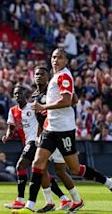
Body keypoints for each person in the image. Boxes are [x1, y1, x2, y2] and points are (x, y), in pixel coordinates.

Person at [13, 48, 112, 214]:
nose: (56, 60)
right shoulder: (56, 77)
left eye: (60, 57)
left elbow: (66, 100)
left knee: (75, 169)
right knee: (37, 164)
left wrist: (45, 107)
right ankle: (30, 206)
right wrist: (48, 111)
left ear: (66, 61)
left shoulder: (64, 75)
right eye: (53, 57)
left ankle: (109, 183)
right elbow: (74, 98)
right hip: (51, 129)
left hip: (64, 130)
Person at [3, 86, 63, 209]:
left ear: (25, 94)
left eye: (19, 93)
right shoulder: (13, 111)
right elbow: (11, 127)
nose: (17, 95)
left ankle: (20, 200)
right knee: (42, 174)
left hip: (35, 142)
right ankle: (64, 199)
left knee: (20, 166)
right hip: (29, 143)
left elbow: (44, 119)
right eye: (15, 94)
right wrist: (7, 135)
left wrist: (41, 135)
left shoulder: (33, 107)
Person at [32, 66, 77, 212]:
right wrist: (38, 135)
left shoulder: (54, 88)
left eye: (42, 74)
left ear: (48, 77)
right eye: (36, 74)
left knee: (63, 170)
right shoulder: (34, 96)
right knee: (40, 166)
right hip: (47, 133)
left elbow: (72, 100)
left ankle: (74, 199)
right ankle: (51, 202)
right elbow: (39, 119)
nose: (39, 76)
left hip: (59, 131)